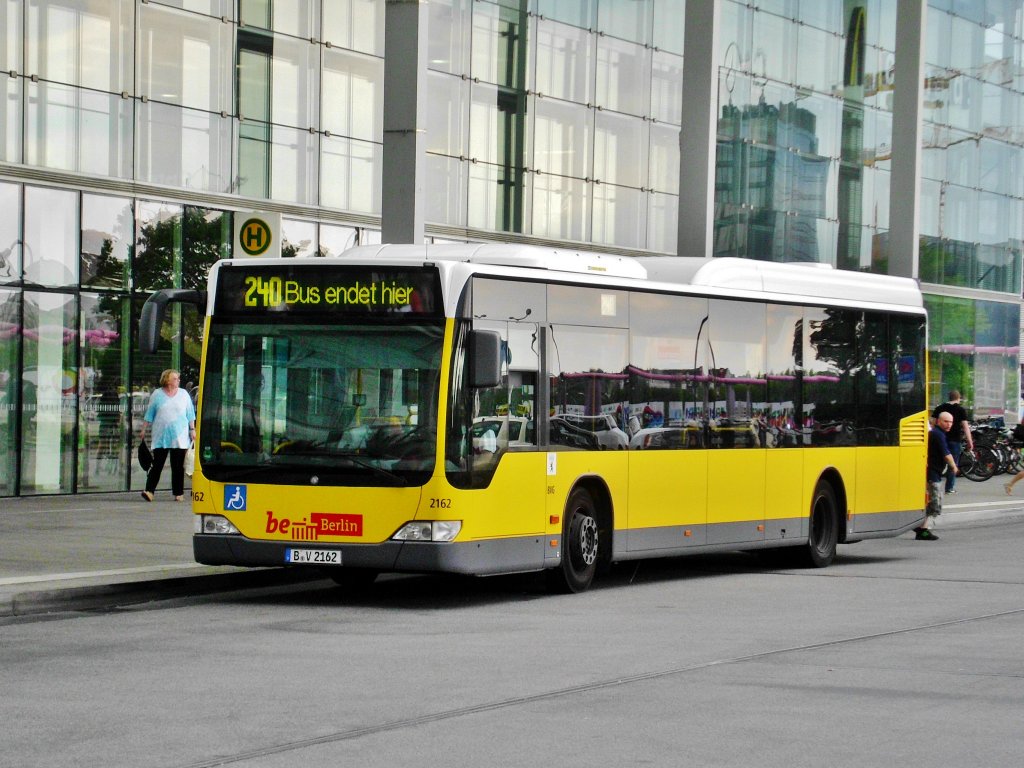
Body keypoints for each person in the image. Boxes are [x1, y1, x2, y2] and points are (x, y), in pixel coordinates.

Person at [138, 369, 196, 502]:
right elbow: (150, 413)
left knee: (177, 467)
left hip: (179, 436)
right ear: (167, 380)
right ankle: (149, 491)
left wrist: (192, 429)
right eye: (175, 378)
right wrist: (143, 429)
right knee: (157, 464)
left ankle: (178, 493)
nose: (178, 381)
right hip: (161, 436)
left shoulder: (183, 394)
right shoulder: (157, 394)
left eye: (178, 378)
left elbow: (190, 414)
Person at [919, 411, 957, 541]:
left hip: (934, 472)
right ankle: (922, 529)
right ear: (939, 421)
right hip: (932, 473)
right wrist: (954, 466)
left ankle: (922, 527)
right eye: (946, 421)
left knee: (931, 501)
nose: (949, 424)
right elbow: (946, 454)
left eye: (951, 422)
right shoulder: (937, 434)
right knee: (934, 503)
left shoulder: (937, 434)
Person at [931, 390, 973, 494]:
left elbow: (931, 423)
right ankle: (949, 488)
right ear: (958, 398)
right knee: (953, 463)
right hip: (955, 440)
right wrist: (970, 441)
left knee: (936, 462)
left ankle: (934, 482)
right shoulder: (960, 409)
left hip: (940, 438)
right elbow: (965, 427)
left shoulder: (939, 408)